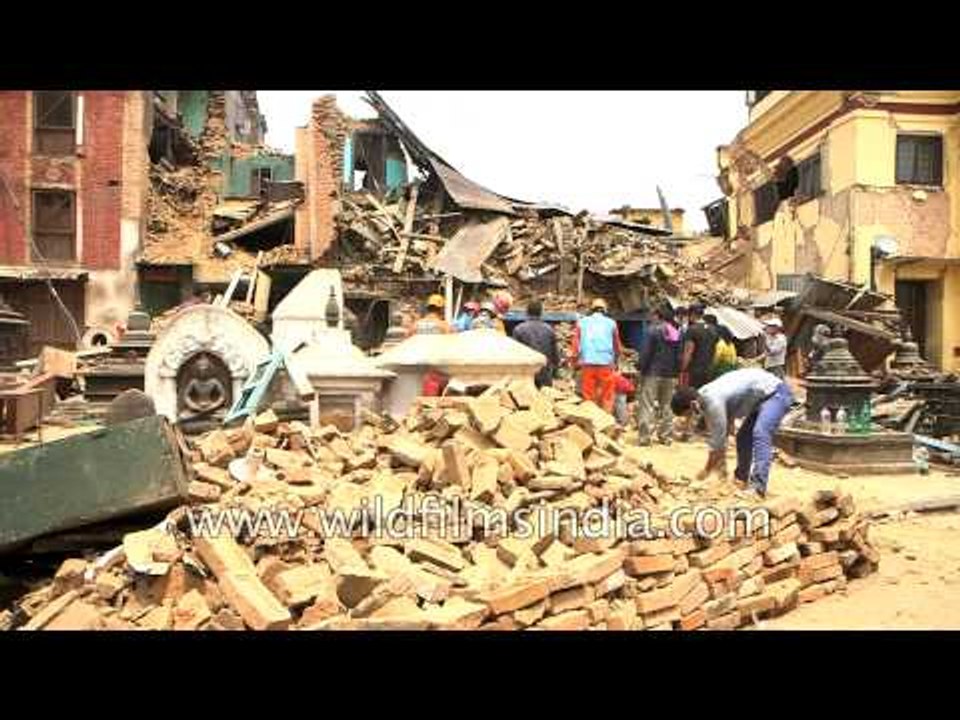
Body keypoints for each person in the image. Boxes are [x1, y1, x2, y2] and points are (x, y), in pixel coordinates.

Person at [670, 367, 794, 498]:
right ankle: (741, 479)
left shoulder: (713, 402)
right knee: (743, 437)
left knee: (761, 432)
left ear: (693, 405)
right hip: (760, 397)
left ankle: (758, 487)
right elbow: (722, 431)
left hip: (776, 394)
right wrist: (722, 470)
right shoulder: (704, 394)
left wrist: (705, 472)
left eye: (688, 415)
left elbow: (717, 446)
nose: (691, 418)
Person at [636, 305, 682, 446]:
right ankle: (665, 436)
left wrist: (641, 368)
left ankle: (645, 437)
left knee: (647, 404)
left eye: (653, 315)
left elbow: (646, 353)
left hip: (652, 373)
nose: (651, 318)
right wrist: (677, 372)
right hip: (670, 374)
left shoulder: (652, 331)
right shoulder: (676, 332)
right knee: (667, 405)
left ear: (657, 315)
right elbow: (679, 356)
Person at [571, 298, 623, 413]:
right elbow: (617, 346)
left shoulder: (582, 322)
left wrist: (574, 362)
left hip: (588, 364)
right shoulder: (611, 323)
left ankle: (591, 420)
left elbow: (575, 346)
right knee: (607, 395)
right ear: (604, 310)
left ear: (591, 310)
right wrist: (617, 361)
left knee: (588, 395)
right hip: (606, 364)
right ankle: (605, 422)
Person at [511, 300, 559, 388]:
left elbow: (514, 355)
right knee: (544, 399)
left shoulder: (518, 329)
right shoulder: (549, 330)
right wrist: (555, 372)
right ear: (541, 313)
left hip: (525, 374)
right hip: (544, 374)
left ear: (527, 312)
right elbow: (555, 356)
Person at [680, 304, 718, 389]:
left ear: (692, 314)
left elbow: (688, 352)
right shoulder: (713, 329)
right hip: (709, 369)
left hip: (695, 370)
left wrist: (682, 368)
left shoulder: (692, 329)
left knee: (692, 394)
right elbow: (715, 351)